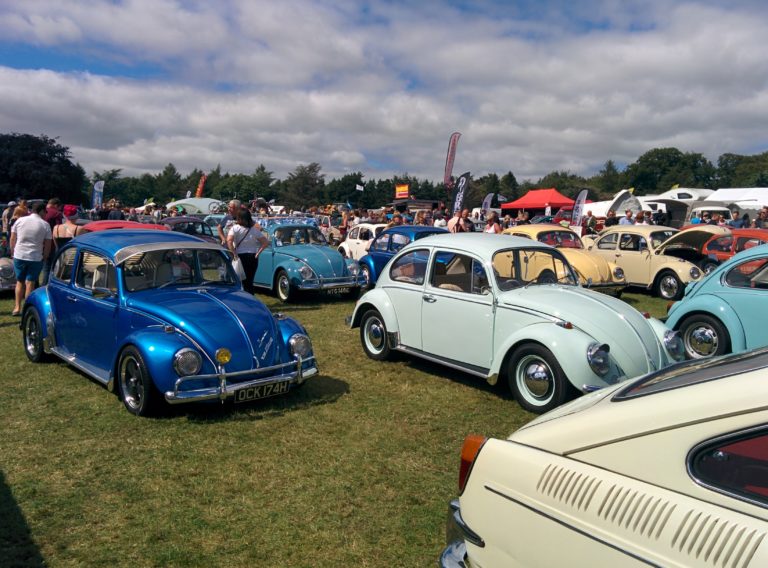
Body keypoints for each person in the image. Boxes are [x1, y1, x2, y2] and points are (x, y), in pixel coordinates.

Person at [10, 201, 52, 316]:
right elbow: (48, 244)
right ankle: (26, 308)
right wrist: (45, 256)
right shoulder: (45, 225)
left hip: (19, 255)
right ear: (42, 211)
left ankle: (17, 307)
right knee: (30, 283)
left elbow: (13, 238)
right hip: (35, 257)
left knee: (19, 282)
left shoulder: (19, 220)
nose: (46, 214)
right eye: (45, 212)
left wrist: (13, 251)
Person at [227, 209, 268, 295]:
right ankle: (250, 298)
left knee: (239, 280)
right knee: (250, 281)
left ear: (239, 218)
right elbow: (265, 242)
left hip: (240, 256)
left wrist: (234, 253)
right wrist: (258, 253)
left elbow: (229, 241)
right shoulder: (254, 230)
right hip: (253, 256)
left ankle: (241, 298)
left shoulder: (235, 228)